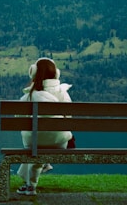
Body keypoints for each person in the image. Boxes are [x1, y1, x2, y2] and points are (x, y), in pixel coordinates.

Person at [16, 57, 74, 196]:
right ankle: (43, 166)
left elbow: (18, 118)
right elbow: (69, 117)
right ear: (56, 73)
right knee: (48, 140)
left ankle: (30, 186)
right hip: (59, 142)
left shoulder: (29, 95)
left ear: (33, 72)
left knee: (35, 147)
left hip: (34, 143)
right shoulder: (62, 92)